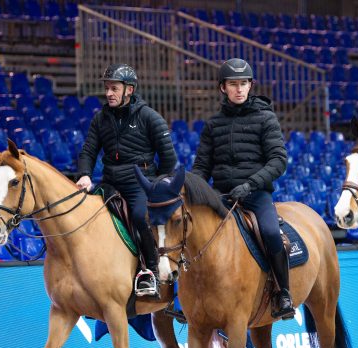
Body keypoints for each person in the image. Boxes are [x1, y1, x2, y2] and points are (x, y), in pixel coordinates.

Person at [191, 58, 294, 319]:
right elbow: (202, 166)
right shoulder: (213, 125)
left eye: (244, 84)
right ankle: (186, 301)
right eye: (233, 84)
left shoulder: (265, 118)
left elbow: (278, 160)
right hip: (221, 197)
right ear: (222, 88)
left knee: (271, 233)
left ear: (251, 86)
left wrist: (251, 184)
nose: (239, 89)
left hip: (256, 194)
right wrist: (196, 190)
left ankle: (283, 292)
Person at [76, 63, 177, 298]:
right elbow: (89, 151)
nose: (109, 93)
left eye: (114, 88)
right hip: (109, 181)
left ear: (129, 90)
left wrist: (154, 183)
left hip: (140, 183)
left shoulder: (150, 117)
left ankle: (150, 272)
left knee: (141, 217)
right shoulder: (100, 119)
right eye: (107, 88)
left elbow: (169, 159)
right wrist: (84, 174)